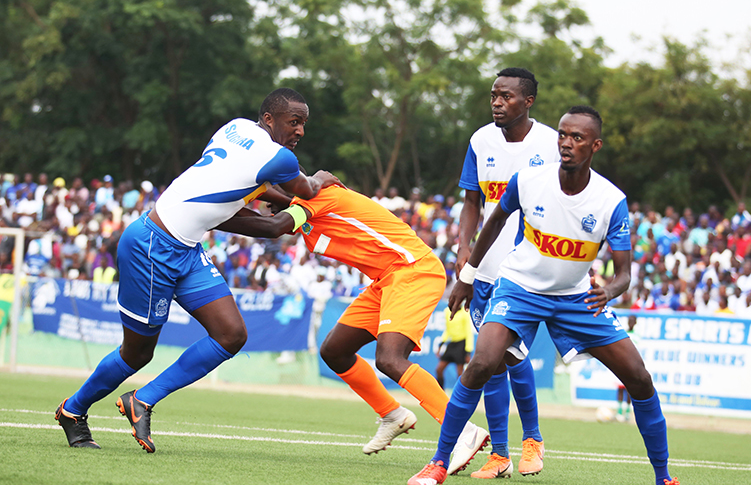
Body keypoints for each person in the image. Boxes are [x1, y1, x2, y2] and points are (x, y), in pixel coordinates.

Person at [54, 87, 339, 452]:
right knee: (137, 353)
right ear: (269, 119)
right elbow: (302, 196)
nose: (300, 130)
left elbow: (236, 196)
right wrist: (315, 197)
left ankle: (141, 399)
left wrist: (289, 208)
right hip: (152, 246)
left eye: (303, 124)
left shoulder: (235, 127)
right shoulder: (279, 159)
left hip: (186, 248)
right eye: (293, 121)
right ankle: (72, 411)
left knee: (231, 334)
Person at [409, 106, 678, 485]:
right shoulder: (529, 180)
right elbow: (494, 222)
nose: (566, 143)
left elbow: (624, 274)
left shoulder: (610, 200)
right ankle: (438, 463)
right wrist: (467, 274)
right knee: (482, 363)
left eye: (577, 138)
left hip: (577, 298)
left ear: (595, 146)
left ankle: (664, 477)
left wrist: (611, 291)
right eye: (563, 135)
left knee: (639, 378)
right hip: (519, 288)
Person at [217, 178, 489, 474]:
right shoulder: (302, 212)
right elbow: (262, 220)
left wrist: (223, 203)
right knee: (335, 351)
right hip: (386, 279)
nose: (265, 202)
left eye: (269, 192)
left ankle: (462, 429)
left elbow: (271, 225)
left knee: (390, 358)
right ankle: (392, 414)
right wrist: (217, 208)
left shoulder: (318, 197)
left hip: (413, 270)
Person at [455, 67, 559, 478]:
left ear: (528, 101)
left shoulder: (552, 143)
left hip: (527, 274)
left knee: (512, 358)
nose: (497, 102)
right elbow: (471, 200)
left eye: (506, 96)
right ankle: (500, 455)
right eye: (493, 95)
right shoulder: (480, 140)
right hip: (483, 270)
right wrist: (464, 248)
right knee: (490, 362)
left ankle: (532, 440)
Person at [435, 305, 474, 389]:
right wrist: (441, 344)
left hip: (461, 345)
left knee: (460, 373)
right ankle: (441, 392)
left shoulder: (465, 313)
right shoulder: (447, 311)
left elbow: (468, 333)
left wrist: (468, 352)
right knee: (439, 369)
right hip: (452, 344)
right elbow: (447, 330)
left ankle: (460, 395)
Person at [616, 316, 640, 422]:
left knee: (629, 390)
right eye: (629, 321)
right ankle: (619, 411)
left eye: (632, 321)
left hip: (630, 365)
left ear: (635, 323)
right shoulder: (623, 333)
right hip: (620, 363)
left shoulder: (636, 336)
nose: (630, 323)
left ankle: (627, 412)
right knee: (620, 388)